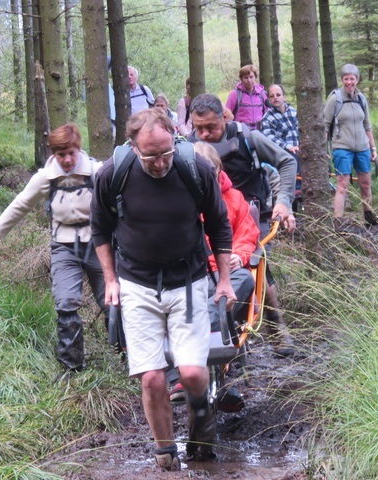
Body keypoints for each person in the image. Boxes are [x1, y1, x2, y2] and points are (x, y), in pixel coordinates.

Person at [90, 109, 236, 470]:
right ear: (133, 147)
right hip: (137, 284)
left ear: (176, 139)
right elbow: (100, 232)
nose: (159, 163)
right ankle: (166, 452)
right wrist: (110, 280)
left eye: (166, 152)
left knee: (191, 373)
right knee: (153, 377)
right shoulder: (113, 173)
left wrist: (224, 280)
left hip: (188, 282)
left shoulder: (196, 169)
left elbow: (219, 225)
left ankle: (201, 419)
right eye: (150, 155)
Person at [0, 123, 107, 376]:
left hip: (98, 244)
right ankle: (72, 367)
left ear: (79, 148)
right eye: (61, 154)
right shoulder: (45, 178)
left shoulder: (97, 172)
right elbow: (20, 204)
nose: (67, 159)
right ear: (53, 153)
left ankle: (127, 357)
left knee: (113, 303)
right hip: (64, 246)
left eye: (71, 153)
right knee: (66, 304)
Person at [188, 93, 296, 357]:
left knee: (258, 264)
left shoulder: (248, 138)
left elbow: (287, 161)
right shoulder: (188, 147)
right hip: (206, 217)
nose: (204, 134)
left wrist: (284, 201)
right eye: (198, 127)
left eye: (211, 127)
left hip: (249, 211)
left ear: (225, 117)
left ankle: (276, 328)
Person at [169, 141, 260, 405]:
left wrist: (238, 256)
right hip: (188, 275)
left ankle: (198, 346)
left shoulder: (234, 199)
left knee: (244, 278)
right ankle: (186, 372)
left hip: (224, 274)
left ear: (219, 170)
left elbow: (247, 234)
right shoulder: (175, 199)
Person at [323, 63, 378, 231]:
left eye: (352, 79)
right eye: (346, 79)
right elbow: (325, 126)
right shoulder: (335, 99)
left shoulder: (361, 99)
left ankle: (369, 216)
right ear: (342, 80)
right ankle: (338, 222)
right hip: (341, 148)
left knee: (365, 183)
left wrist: (373, 149)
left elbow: (367, 125)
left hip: (362, 147)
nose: (349, 82)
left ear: (357, 80)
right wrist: (323, 149)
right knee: (342, 184)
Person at [261, 84, 302, 195]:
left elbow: (303, 132)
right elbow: (269, 138)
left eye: (278, 95)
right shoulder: (267, 118)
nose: (275, 98)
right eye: (272, 96)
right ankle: (296, 189)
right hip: (281, 153)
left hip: (300, 149)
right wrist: (288, 147)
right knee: (292, 155)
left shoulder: (294, 112)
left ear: (284, 97)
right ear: (269, 99)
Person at [224, 64, 268, 130]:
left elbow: (268, 113)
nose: (249, 80)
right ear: (241, 79)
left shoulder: (262, 94)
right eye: (246, 77)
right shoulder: (235, 94)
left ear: (255, 77)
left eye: (251, 77)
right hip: (241, 131)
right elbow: (226, 114)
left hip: (260, 130)